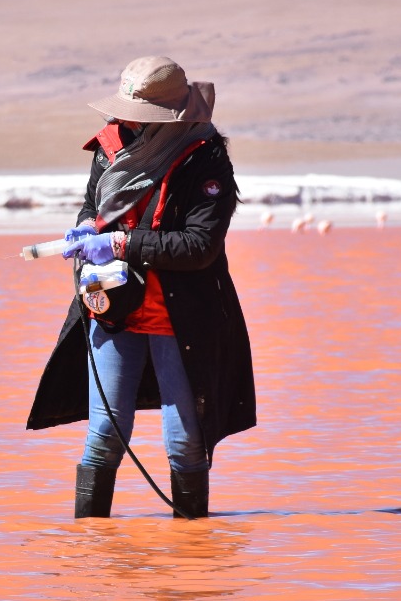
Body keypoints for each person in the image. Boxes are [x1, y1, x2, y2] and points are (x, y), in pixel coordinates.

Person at [26, 56, 256, 520]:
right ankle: (92, 547)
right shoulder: (110, 146)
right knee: (103, 436)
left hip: (181, 315)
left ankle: (192, 551)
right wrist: (86, 228)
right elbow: (93, 205)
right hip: (113, 305)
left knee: (184, 442)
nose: (127, 120)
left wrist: (119, 242)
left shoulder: (204, 157)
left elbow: (199, 246)